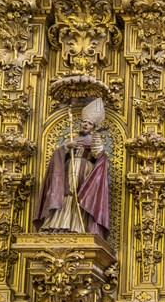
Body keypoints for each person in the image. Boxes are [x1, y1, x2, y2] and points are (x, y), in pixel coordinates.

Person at [33, 98, 110, 239]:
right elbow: (57, 155)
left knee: (79, 198)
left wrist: (97, 149)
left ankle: (78, 227)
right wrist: (66, 147)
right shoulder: (71, 139)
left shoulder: (95, 139)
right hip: (68, 171)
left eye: (89, 123)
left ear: (93, 127)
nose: (86, 125)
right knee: (65, 195)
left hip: (85, 173)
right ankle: (58, 225)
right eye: (84, 122)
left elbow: (101, 158)